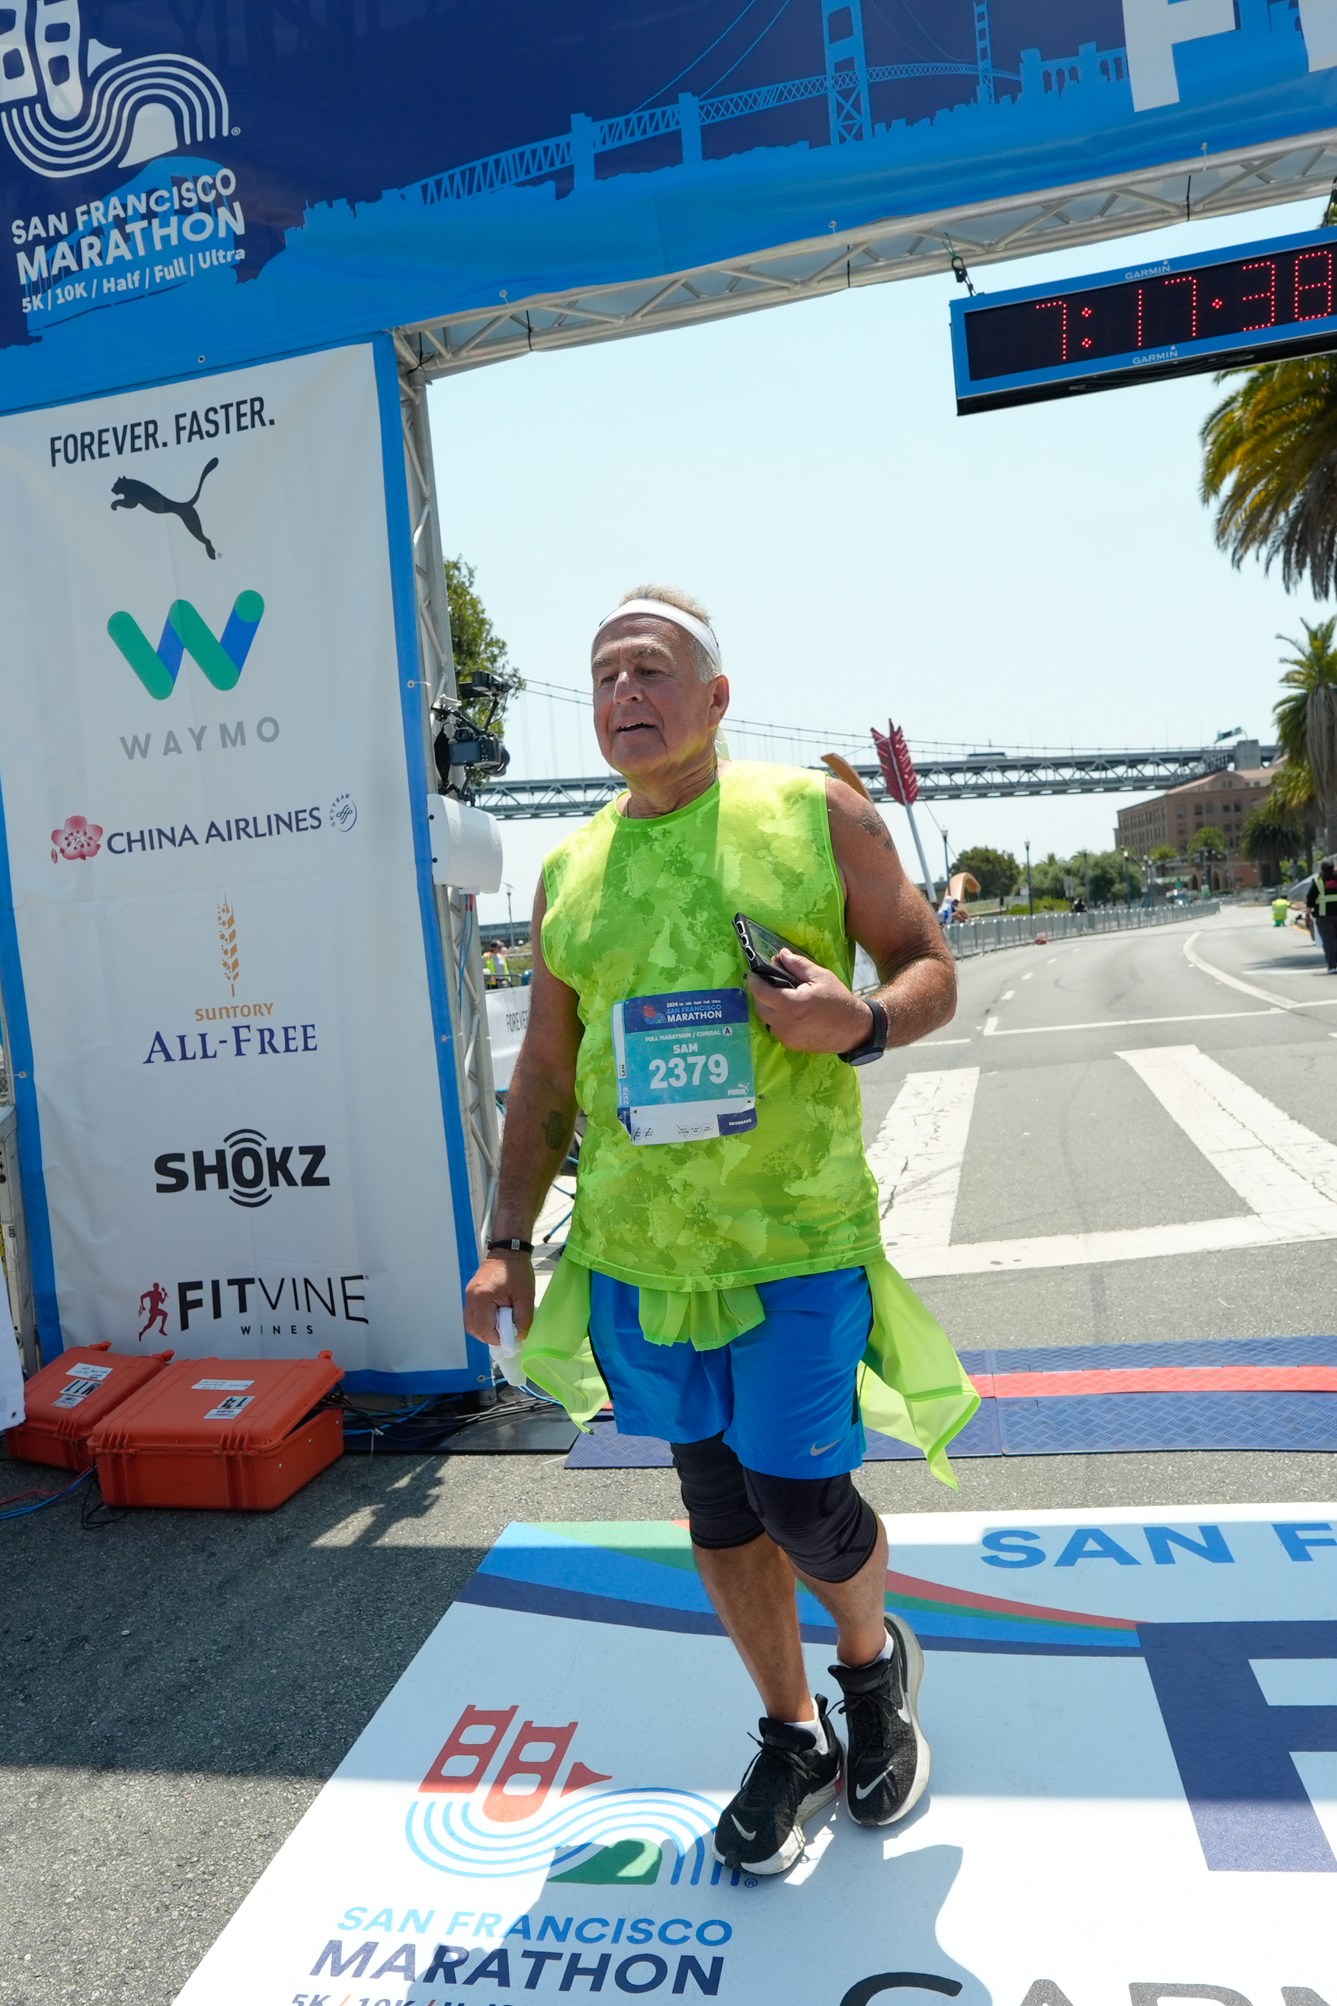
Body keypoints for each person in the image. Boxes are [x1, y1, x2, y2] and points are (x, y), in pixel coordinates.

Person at [464, 586, 977, 1878]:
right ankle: (791, 1730)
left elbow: (929, 964)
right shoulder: (571, 865)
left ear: (716, 696)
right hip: (640, 1250)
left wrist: (859, 1022)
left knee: (802, 1497)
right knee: (714, 1502)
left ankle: (871, 1670)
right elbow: (541, 1068)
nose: (624, 693)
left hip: (795, 1238)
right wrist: (507, 1236)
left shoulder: (815, 812)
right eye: (602, 677)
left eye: (651, 668)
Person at [1307, 861, 1337, 970]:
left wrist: (1308, 915)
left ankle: (1332, 965)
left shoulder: (1318, 883)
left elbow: (1310, 900)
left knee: (1329, 941)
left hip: (1324, 916)